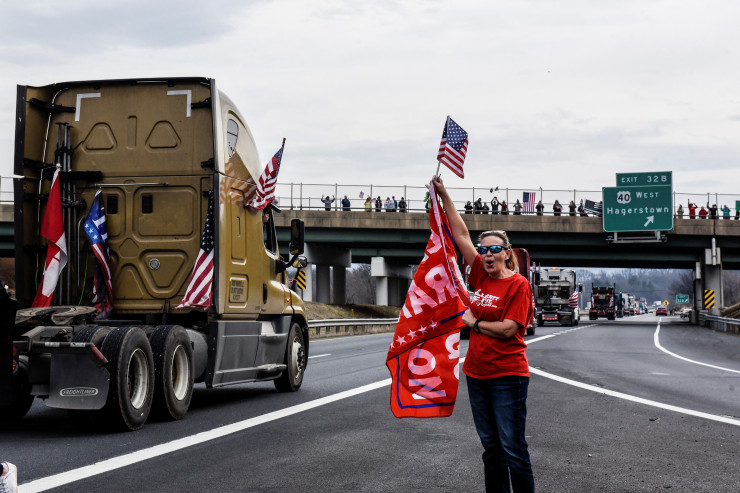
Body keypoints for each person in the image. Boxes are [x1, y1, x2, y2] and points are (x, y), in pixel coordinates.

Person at [433, 176, 536, 493]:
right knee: (491, 448)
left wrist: (474, 323)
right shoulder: (479, 273)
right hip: (477, 375)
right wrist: (443, 195)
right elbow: (461, 234)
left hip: (507, 376)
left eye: (494, 250)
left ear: (506, 253)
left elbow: (509, 329)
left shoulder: (518, 285)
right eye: (483, 250)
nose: (487, 255)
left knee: (512, 448)